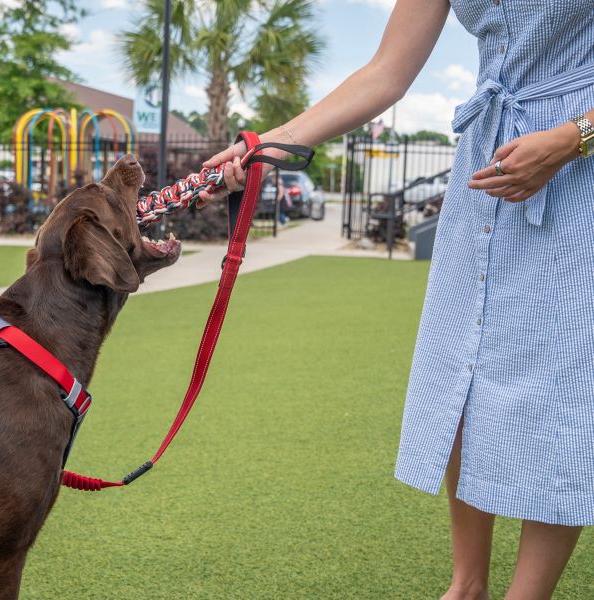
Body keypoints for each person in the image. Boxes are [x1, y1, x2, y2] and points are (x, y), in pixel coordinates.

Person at [197, 1, 594, 598]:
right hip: (487, 159)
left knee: (561, 385)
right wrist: (269, 143)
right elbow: (386, 70)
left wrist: (573, 138)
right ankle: (467, 586)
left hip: (578, 163)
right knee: (464, 373)